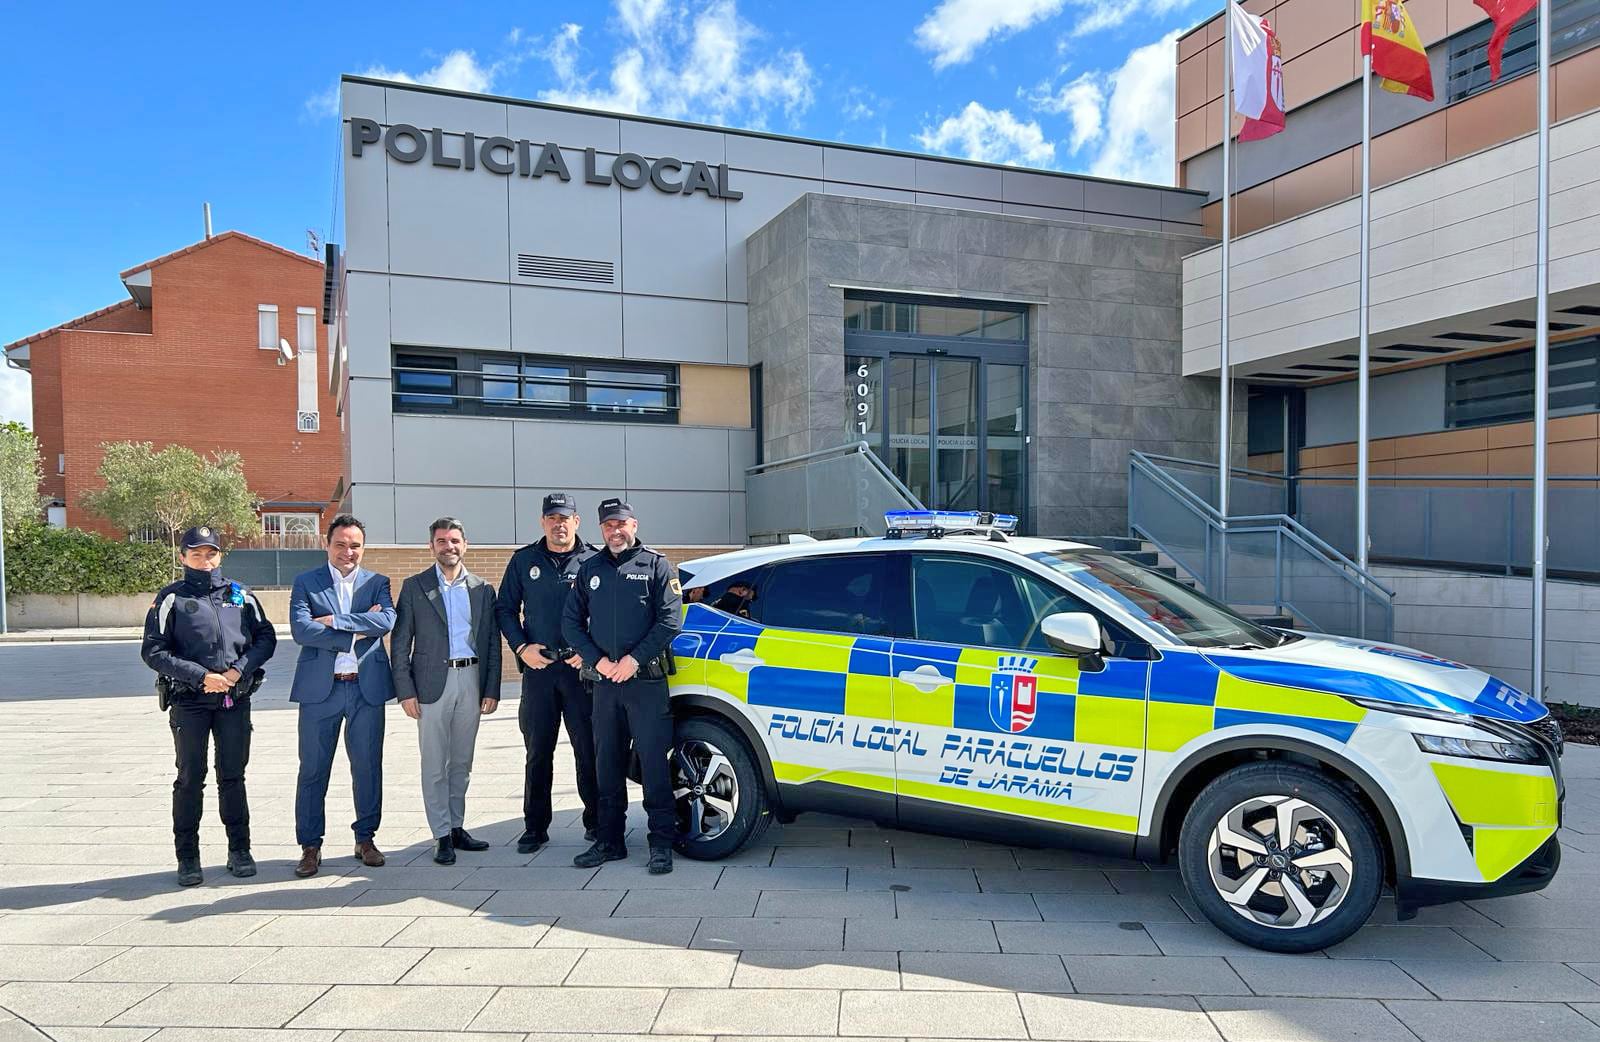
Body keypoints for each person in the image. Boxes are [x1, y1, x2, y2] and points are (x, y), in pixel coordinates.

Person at [141, 526, 276, 887]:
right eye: (196, 553)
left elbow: (266, 637)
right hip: (191, 702)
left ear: (220, 555)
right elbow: (153, 651)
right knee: (190, 779)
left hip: (234, 699)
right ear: (183, 556)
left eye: (211, 553)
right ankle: (188, 857)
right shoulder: (170, 598)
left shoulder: (239, 594)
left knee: (232, 776)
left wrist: (238, 671)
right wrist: (201, 676)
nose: (205, 560)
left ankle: (239, 850)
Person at [562, 498, 682, 874]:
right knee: (607, 765)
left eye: (621, 524)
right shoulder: (590, 569)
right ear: (600, 529)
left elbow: (670, 620)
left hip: (645, 683)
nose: (615, 531)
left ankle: (661, 843)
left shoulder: (657, 565)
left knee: (653, 767)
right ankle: (609, 841)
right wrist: (598, 661)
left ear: (634, 524)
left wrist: (632, 661)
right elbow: (570, 622)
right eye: (608, 526)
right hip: (605, 686)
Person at [288, 514, 396, 878]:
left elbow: (386, 622)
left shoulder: (378, 582)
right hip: (321, 691)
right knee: (313, 770)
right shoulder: (306, 582)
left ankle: (365, 838)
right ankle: (310, 846)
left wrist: (333, 622)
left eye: (355, 545)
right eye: (341, 544)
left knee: (367, 767)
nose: (348, 552)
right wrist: (358, 626)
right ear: (327, 544)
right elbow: (302, 630)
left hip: (366, 689)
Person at [392, 517, 502, 865]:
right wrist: (405, 691)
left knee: (462, 762)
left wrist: (491, 688)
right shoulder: (414, 587)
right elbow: (399, 645)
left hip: (470, 680)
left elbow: (491, 643)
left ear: (465, 545)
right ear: (431, 546)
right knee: (434, 764)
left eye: (454, 540)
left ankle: (457, 827)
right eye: (441, 541)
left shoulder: (482, 589)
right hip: (430, 686)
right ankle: (440, 834)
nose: (449, 546)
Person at [495, 492, 600, 854]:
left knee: (589, 751)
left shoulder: (595, 560)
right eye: (552, 518)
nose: (559, 524)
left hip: (581, 673)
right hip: (539, 672)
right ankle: (535, 827)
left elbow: (607, 614)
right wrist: (522, 648)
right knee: (538, 752)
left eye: (565, 517)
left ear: (576, 521)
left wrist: (589, 654)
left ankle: (597, 822)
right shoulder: (524, 560)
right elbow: (505, 609)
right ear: (543, 522)